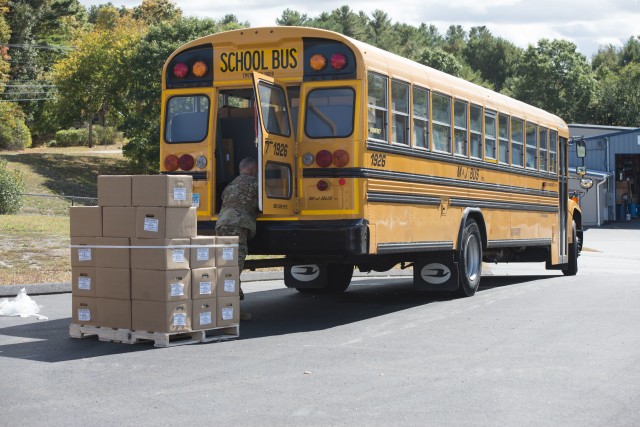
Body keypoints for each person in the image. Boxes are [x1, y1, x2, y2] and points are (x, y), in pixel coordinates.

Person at [215, 157, 259, 321]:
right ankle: (231, 310)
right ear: (254, 170)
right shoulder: (255, 183)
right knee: (233, 268)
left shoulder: (230, 185)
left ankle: (229, 305)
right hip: (237, 227)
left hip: (221, 225)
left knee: (226, 265)